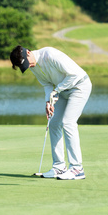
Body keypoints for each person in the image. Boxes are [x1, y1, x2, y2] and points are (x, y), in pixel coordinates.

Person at [10, 45, 92, 180]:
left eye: (27, 63)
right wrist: (48, 101)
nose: (29, 66)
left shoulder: (49, 55)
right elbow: (47, 84)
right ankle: (59, 167)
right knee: (54, 123)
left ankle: (77, 168)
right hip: (63, 91)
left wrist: (57, 90)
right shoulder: (33, 66)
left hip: (80, 86)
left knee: (68, 122)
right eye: (25, 66)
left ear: (28, 53)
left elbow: (74, 75)